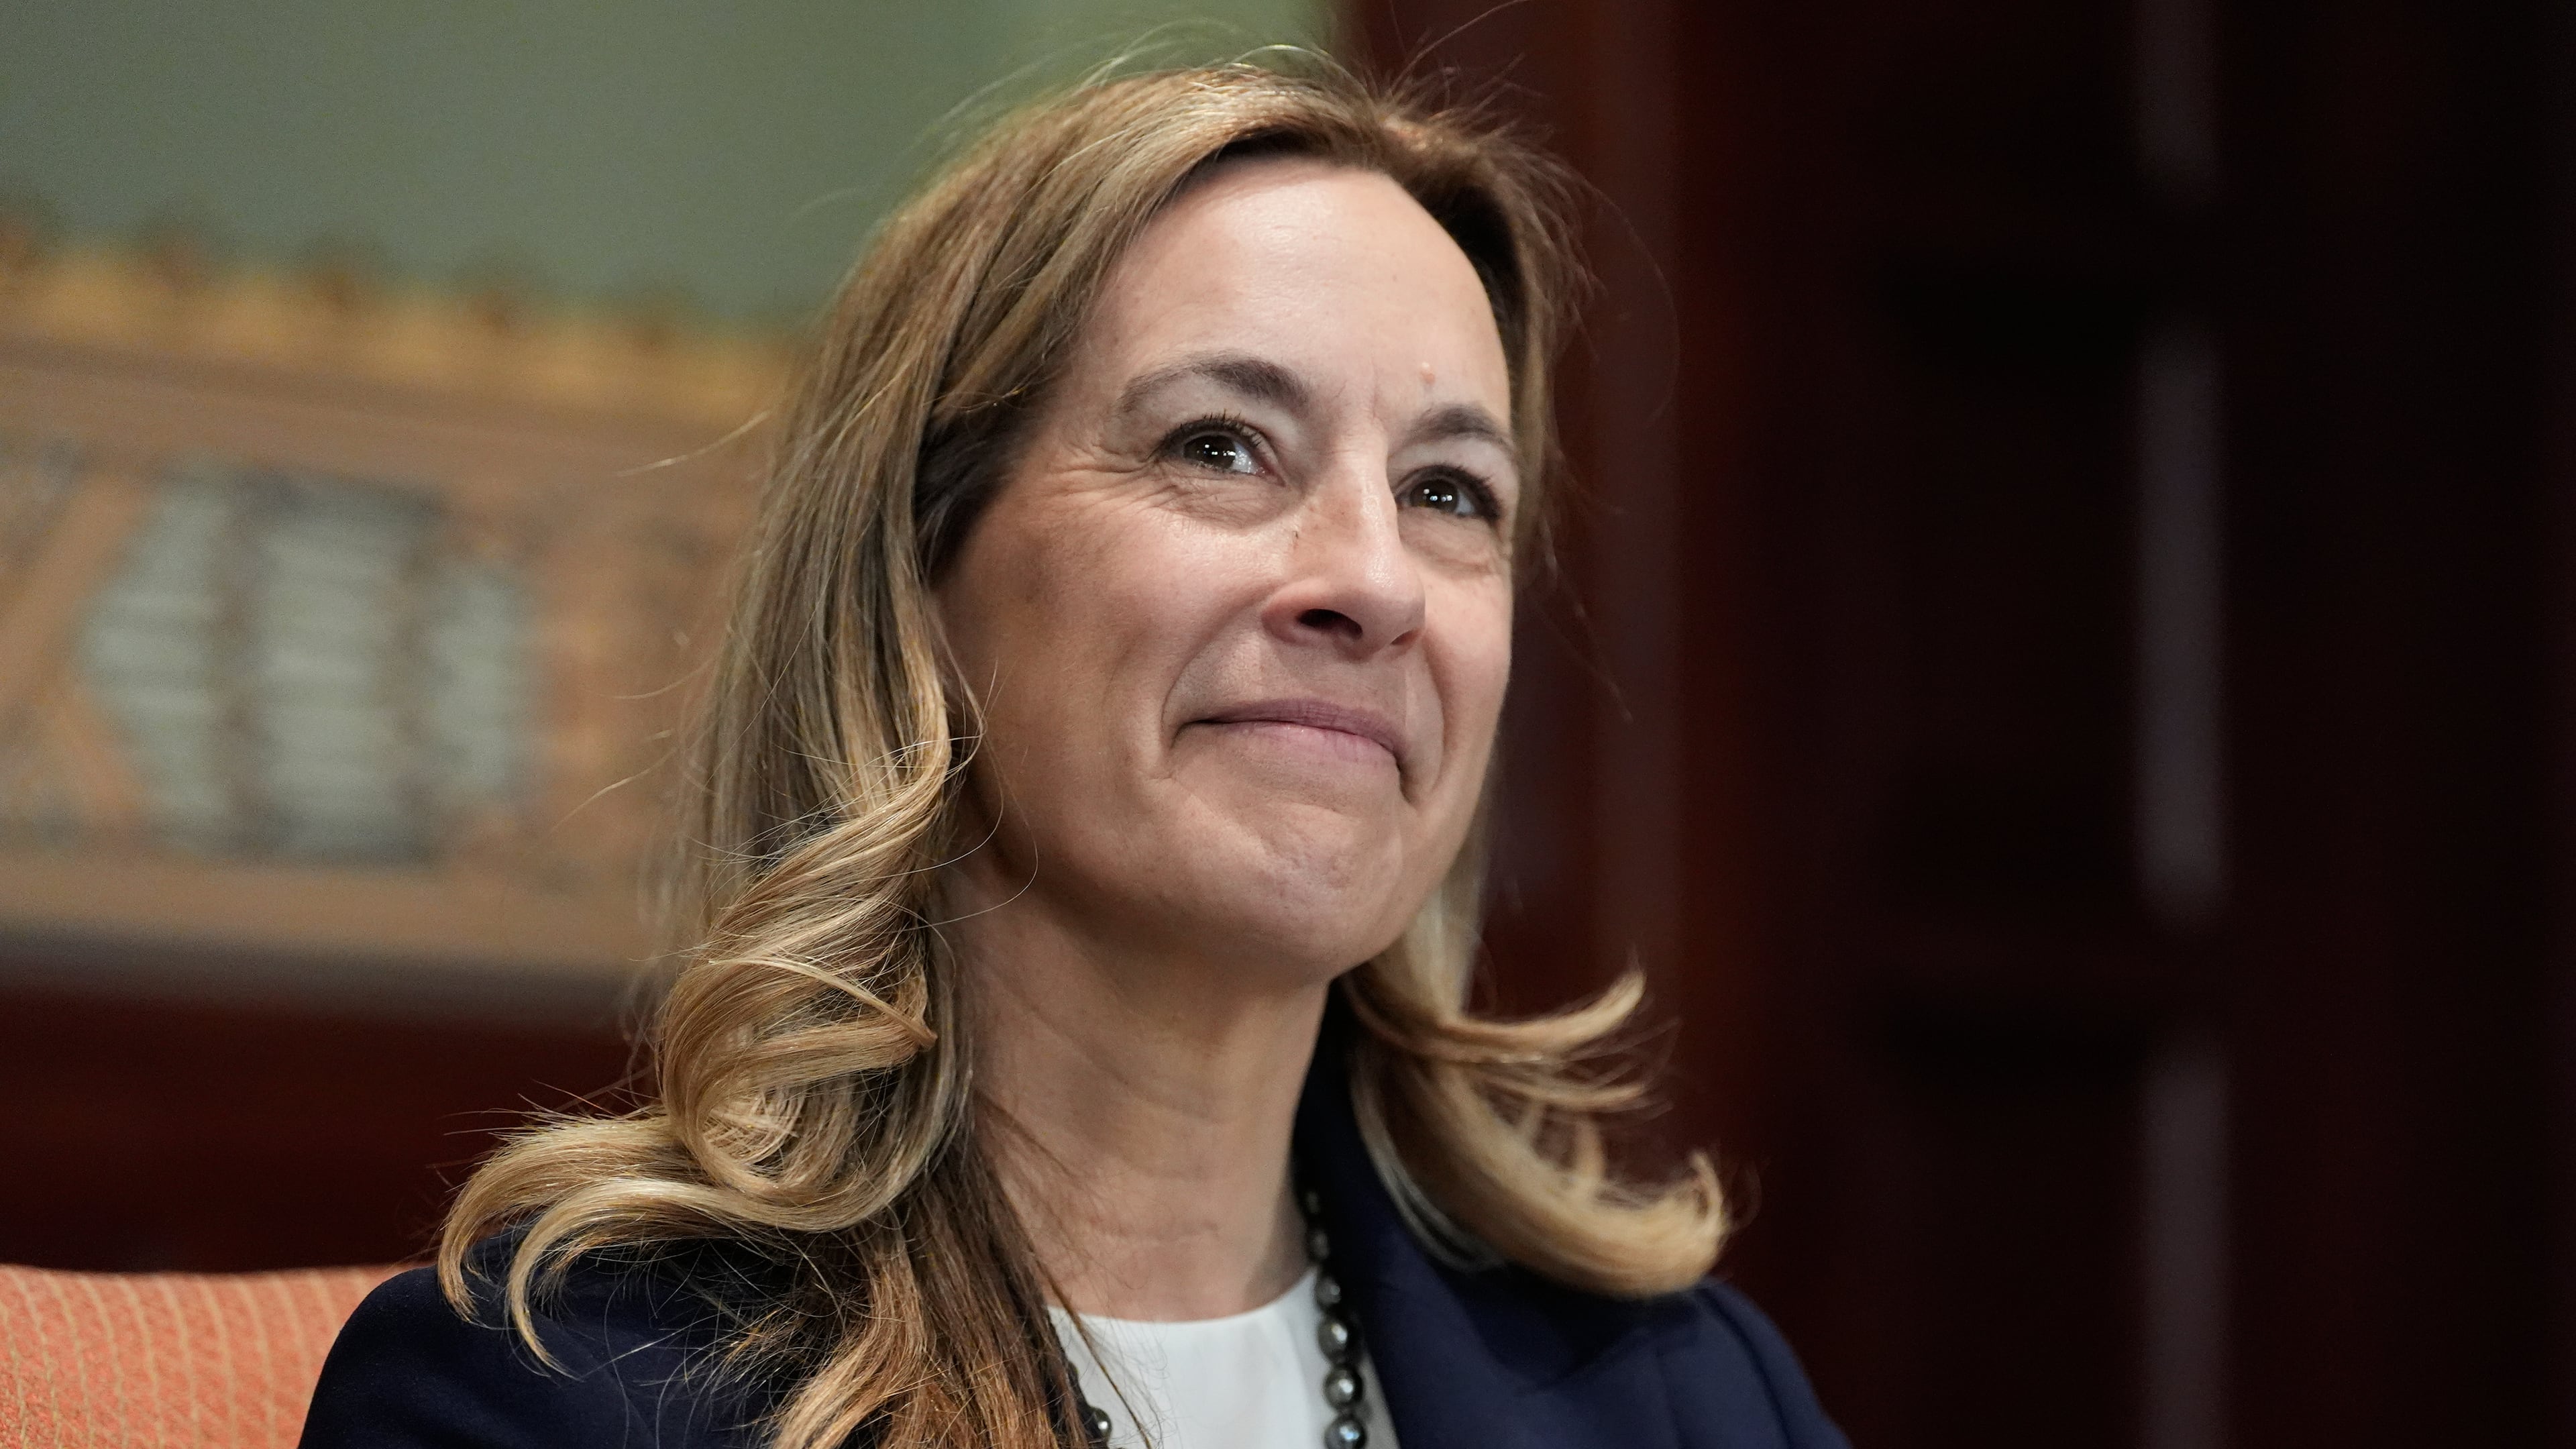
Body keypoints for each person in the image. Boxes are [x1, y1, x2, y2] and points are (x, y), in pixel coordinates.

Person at [301, 59, 1847, 1449]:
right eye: (1220, 445)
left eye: (1451, 492)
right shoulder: (550, 1400)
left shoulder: (1690, 1397)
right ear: (918, 576)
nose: (1375, 581)